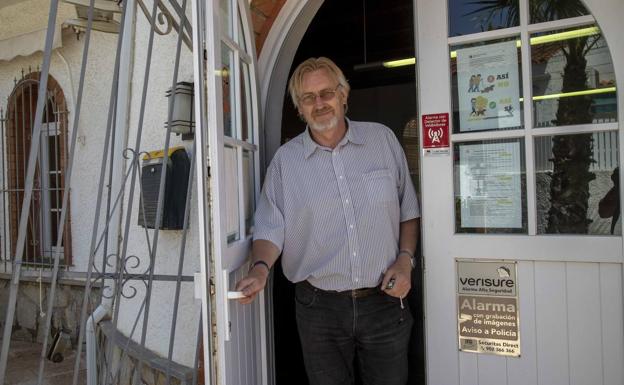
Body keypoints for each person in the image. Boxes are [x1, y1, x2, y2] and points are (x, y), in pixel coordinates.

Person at [235, 57, 420, 385]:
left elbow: (408, 210)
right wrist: (260, 269)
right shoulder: (285, 162)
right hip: (319, 307)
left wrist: (405, 260)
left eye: (327, 93)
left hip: (385, 299)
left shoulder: (382, 141)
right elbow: (270, 226)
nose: (319, 103)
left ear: (343, 95)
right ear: (299, 108)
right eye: (308, 98)